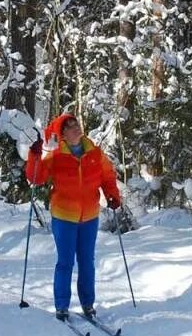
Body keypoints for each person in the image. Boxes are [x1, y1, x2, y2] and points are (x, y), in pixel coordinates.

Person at [25, 113, 122, 321]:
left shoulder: (94, 152)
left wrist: (112, 194)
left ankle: (88, 304)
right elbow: (37, 177)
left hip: (89, 216)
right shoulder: (56, 155)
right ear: (63, 136)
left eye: (75, 123)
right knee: (65, 262)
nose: (75, 127)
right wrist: (34, 155)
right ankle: (62, 306)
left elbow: (107, 175)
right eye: (69, 126)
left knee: (87, 261)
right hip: (64, 217)